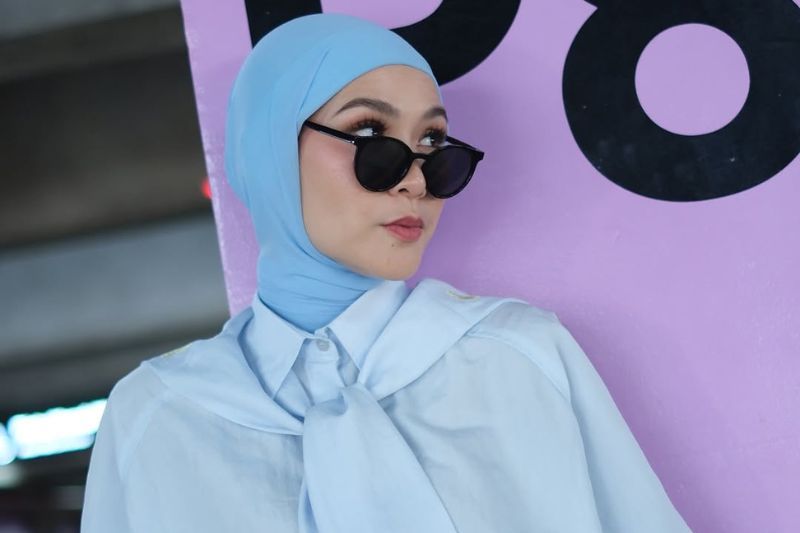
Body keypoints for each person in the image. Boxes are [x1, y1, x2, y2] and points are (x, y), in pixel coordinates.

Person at [80, 12, 692, 533]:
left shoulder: (520, 358)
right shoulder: (158, 419)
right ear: (270, 146)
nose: (415, 181)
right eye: (370, 134)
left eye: (433, 144)